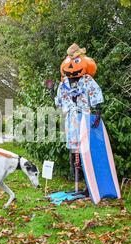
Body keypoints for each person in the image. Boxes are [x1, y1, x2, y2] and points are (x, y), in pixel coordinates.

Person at [53, 43, 104, 193]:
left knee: (87, 150)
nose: (71, 67)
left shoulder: (87, 80)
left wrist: (98, 111)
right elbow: (58, 101)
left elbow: (95, 93)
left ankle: (89, 185)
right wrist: (51, 91)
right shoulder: (64, 84)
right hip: (71, 119)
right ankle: (76, 182)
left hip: (85, 117)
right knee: (74, 151)